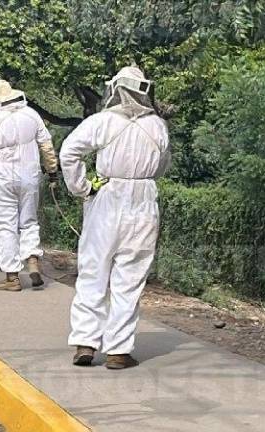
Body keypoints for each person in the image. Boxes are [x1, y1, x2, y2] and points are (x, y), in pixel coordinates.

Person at [60, 66, 171, 369]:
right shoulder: (158, 127)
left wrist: (82, 187)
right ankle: (119, 351)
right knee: (130, 276)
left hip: (106, 195)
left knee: (94, 270)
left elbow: (68, 153)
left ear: (115, 90)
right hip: (144, 198)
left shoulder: (101, 121)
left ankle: (85, 342)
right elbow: (162, 166)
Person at [0, 80, 59, 291]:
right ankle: (33, 260)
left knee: (4, 225)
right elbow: (47, 148)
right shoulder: (32, 115)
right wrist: (53, 172)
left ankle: (12, 276)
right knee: (29, 221)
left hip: (3, 179)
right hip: (30, 177)